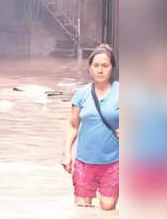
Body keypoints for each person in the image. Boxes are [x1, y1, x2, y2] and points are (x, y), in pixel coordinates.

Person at [61, 44, 119, 210]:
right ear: (90, 68)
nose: (100, 70)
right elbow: (72, 125)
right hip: (84, 162)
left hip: (114, 162)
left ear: (112, 68)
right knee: (82, 210)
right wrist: (66, 152)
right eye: (96, 66)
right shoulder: (82, 94)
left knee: (108, 208)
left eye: (105, 66)